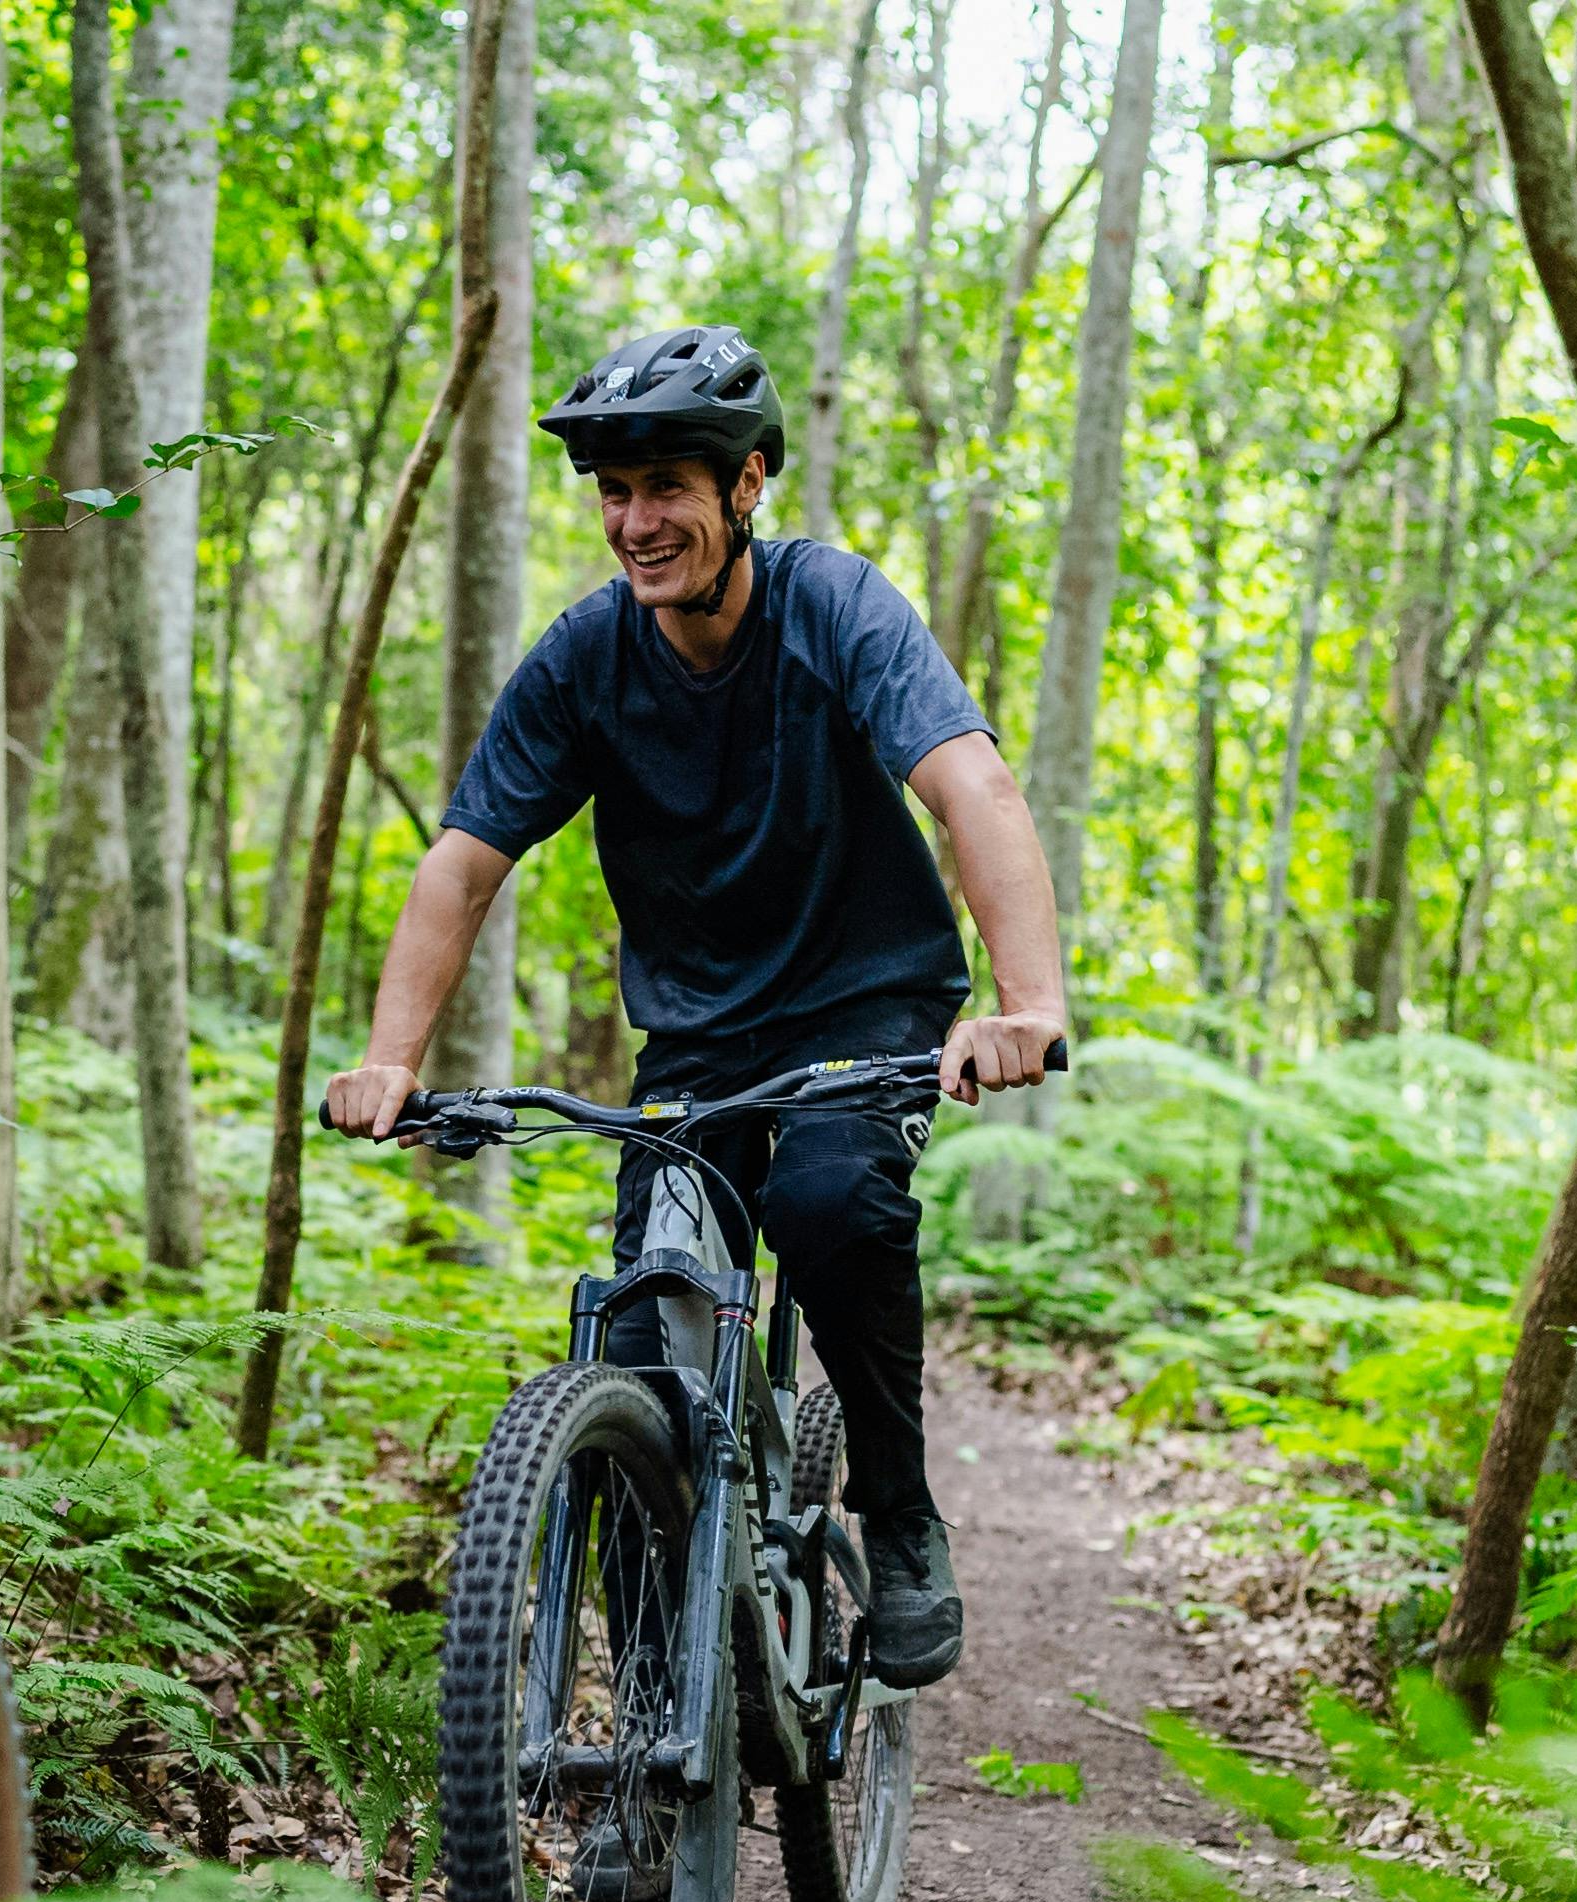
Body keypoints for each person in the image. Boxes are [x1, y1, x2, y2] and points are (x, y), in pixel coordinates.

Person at [327, 324, 1067, 1690]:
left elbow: (973, 788)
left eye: (666, 482)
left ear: (747, 485)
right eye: (613, 491)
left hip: (865, 1003)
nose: (635, 520)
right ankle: (652, 1722)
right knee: (627, 1343)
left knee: (830, 1209)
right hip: (700, 1036)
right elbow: (464, 861)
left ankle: (896, 1516)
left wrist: (1024, 1003)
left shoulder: (833, 606)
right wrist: (389, 1058)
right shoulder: (585, 659)